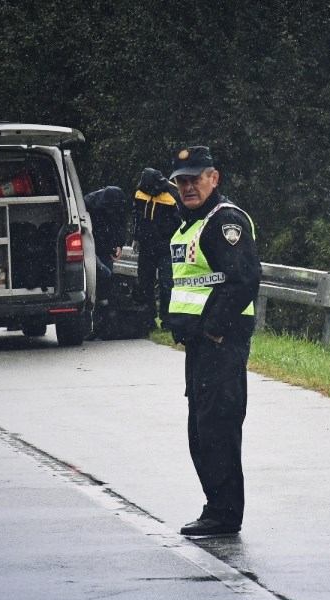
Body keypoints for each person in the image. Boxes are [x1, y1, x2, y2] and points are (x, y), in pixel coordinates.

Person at [163, 146, 261, 537]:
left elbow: (243, 281)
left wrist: (213, 328)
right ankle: (216, 507)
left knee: (217, 427)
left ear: (213, 178)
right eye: (182, 180)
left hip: (222, 342)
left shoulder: (225, 221)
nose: (188, 186)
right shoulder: (190, 222)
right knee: (201, 430)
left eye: (195, 178)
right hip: (201, 344)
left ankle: (224, 514)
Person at [132, 168, 180, 330]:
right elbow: (137, 217)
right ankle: (148, 318)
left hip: (166, 247)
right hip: (146, 246)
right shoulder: (140, 194)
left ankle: (167, 320)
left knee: (167, 284)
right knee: (145, 283)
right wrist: (135, 238)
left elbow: (180, 224)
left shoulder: (172, 197)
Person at [83, 186, 126, 339]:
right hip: (91, 248)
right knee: (93, 287)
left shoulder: (118, 204)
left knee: (104, 287)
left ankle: (103, 326)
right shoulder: (89, 203)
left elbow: (121, 225)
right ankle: (89, 327)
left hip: (107, 248)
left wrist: (119, 244)